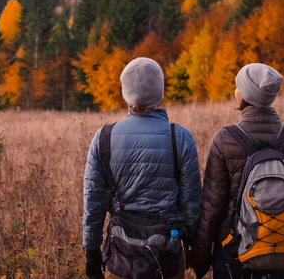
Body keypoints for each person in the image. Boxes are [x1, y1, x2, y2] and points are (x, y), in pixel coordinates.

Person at [187, 63, 284, 279]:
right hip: (283, 252)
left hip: (233, 254)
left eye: (238, 87)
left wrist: (199, 256)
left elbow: (212, 207)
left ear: (243, 95)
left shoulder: (225, 139)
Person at [82, 57, 202, 279]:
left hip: (121, 256)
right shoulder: (180, 137)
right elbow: (192, 204)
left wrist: (91, 253)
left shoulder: (103, 138)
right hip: (168, 254)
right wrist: (194, 246)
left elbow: (93, 203)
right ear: (160, 92)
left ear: (125, 93)